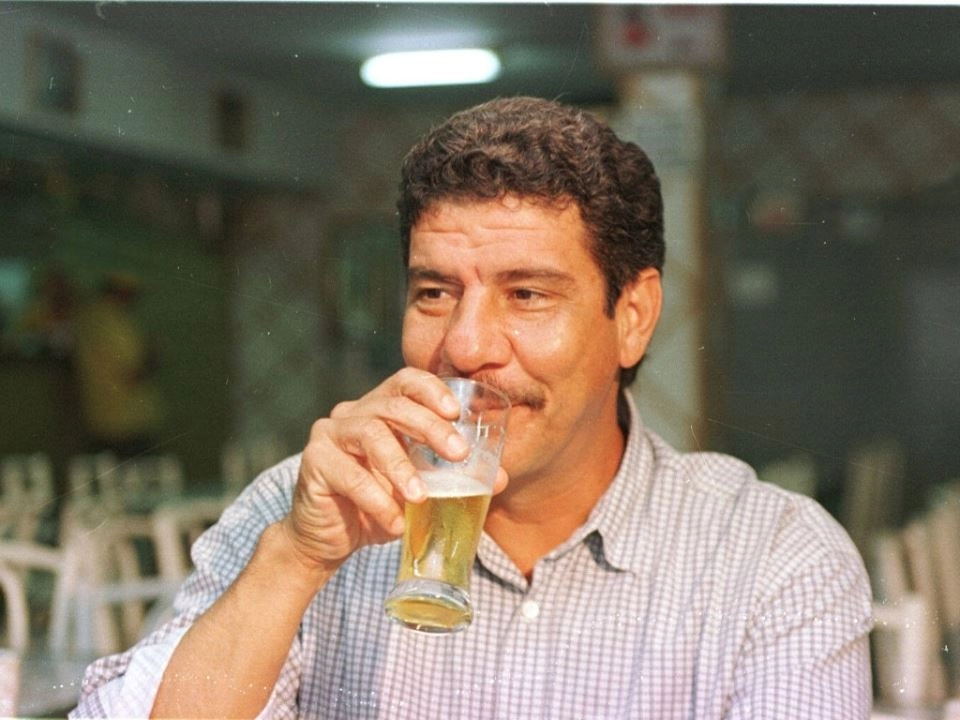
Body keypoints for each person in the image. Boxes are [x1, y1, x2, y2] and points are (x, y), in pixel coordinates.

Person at [71, 97, 874, 719]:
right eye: (433, 292)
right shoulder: (300, 512)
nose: (465, 346)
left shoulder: (771, 560)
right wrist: (296, 563)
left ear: (632, 316)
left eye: (527, 294)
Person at [72, 271, 164, 458]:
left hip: (102, 420)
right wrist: (153, 357)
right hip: (125, 423)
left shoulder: (93, 317)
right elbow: (132, 374)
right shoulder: (110, 323)